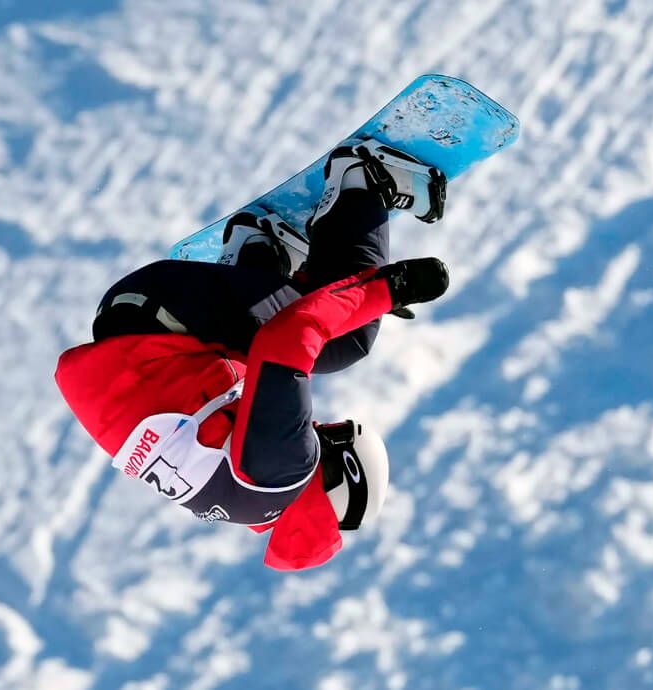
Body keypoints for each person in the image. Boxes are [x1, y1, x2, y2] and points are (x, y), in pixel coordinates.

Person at [55, 139, 451, 570]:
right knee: (278, 361)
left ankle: (363, 180)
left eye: (333, 434)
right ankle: (257, 251)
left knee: (346, 339)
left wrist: (387, 290)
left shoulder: (285, 471)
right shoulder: (241, 499)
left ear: (340, 471)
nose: (317, 427)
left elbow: (290, 336)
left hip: (161, 306)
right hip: (136, 321)